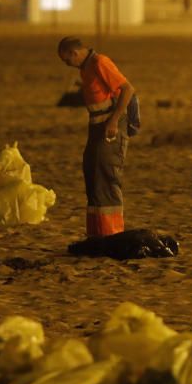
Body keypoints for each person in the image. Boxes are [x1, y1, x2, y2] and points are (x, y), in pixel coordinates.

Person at [58, 36, 135, 237]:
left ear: (74, 53)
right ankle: (97, 232)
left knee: (106, 176)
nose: (68, 65)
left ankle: (112, 233)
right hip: (96, 127)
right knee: (92, 174)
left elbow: (128, 89)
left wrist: (113, 122)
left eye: (67, 60)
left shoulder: (100, 62)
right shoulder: (85, 69)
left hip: (110, 128)